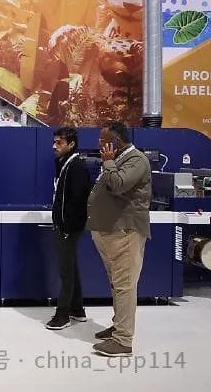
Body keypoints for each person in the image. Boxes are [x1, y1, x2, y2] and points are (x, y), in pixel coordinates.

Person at [87, 121, 152, 357]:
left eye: (102, 139)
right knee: (117, 283)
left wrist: (107, 162)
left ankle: (123, 340)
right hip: (109, 231)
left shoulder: (136, 160)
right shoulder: (119, 159)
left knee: (124, 285)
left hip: (125, 232)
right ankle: (118, 326)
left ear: (115, 141)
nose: (98, 143)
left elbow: (118, 185)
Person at [46, 127, 91, 330]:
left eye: (59, 143)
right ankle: (77, 309)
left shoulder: (76, 167)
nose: (54, 146)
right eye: (54, 142)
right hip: (64, 224)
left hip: (69, 227)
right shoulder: (64, 163)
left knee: (66, 271)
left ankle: (62, 314)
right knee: (70, 266)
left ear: (71, 144)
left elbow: (78, 200)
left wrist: (66, 226)